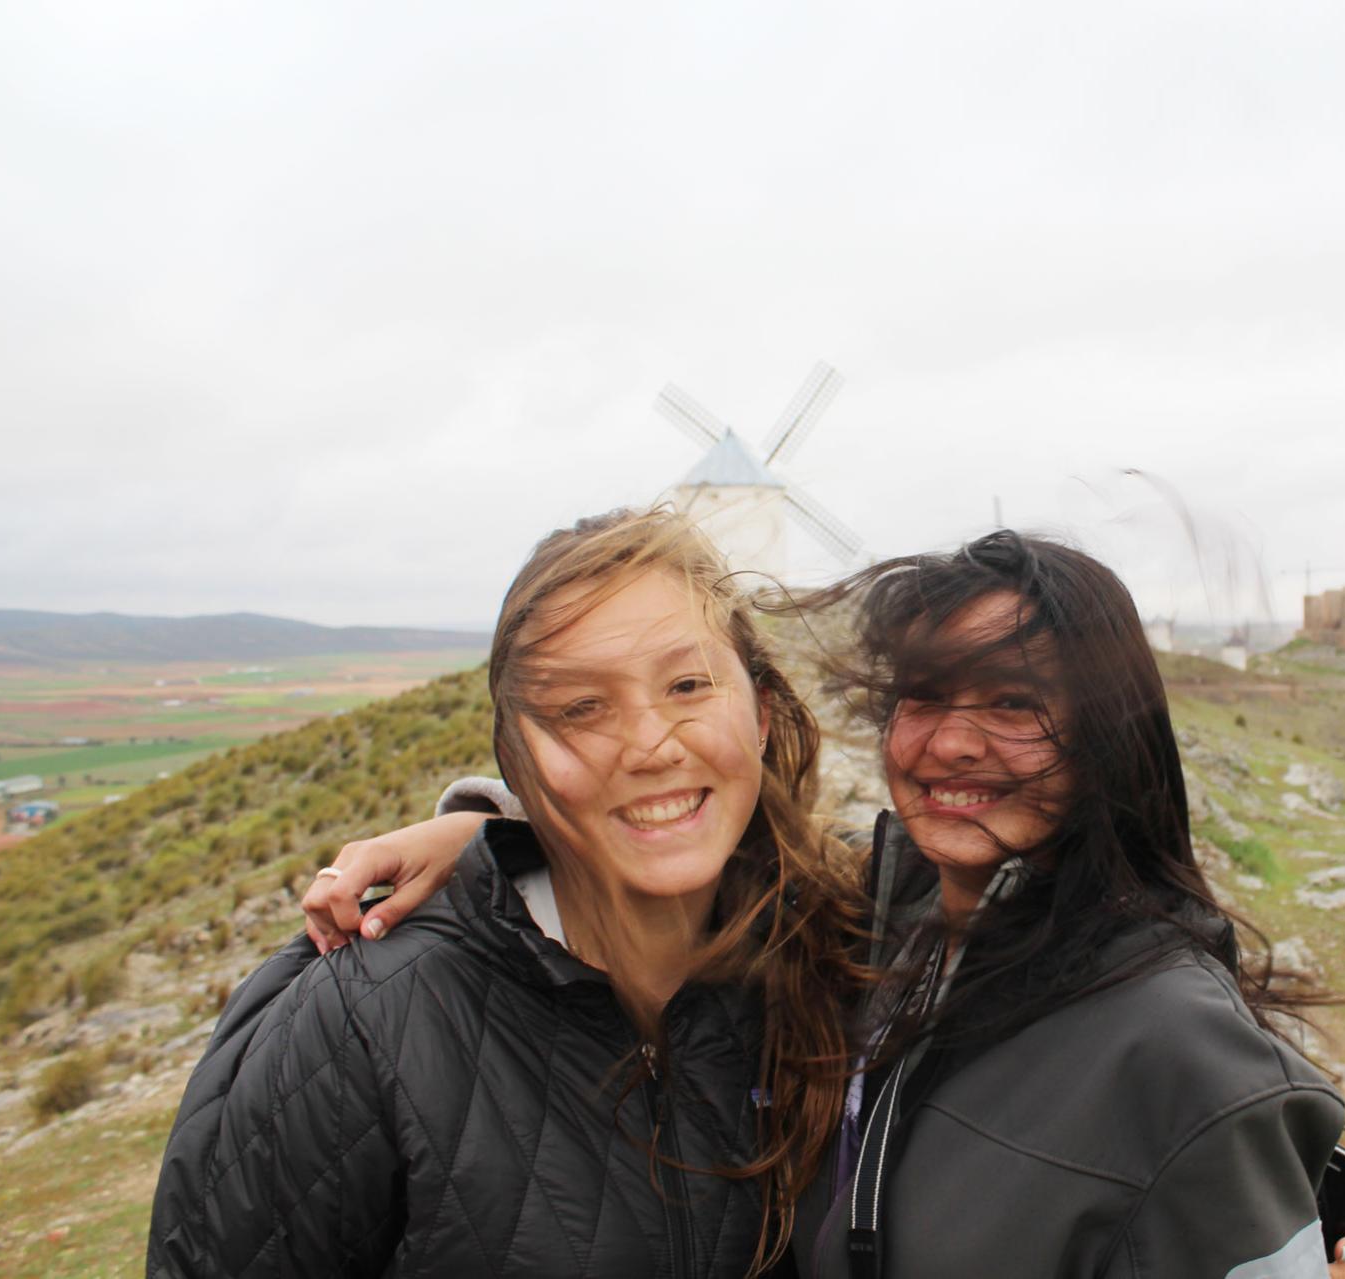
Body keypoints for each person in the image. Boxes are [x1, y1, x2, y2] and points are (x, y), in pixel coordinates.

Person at [308, 530, 1345, 1278]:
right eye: (925, 698)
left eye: (1016, 703)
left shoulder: (1183, 1057)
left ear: (1110, 733)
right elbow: (698, 849)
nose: (952, 742)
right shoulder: (879, 919)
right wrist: (495, 835)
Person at [149, 509, 868, 1277]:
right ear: (514, 754)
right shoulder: (368, 1022)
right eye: (581, 709)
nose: (652, 743)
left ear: (759, 713)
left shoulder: (846, 949)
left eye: (689, 684)